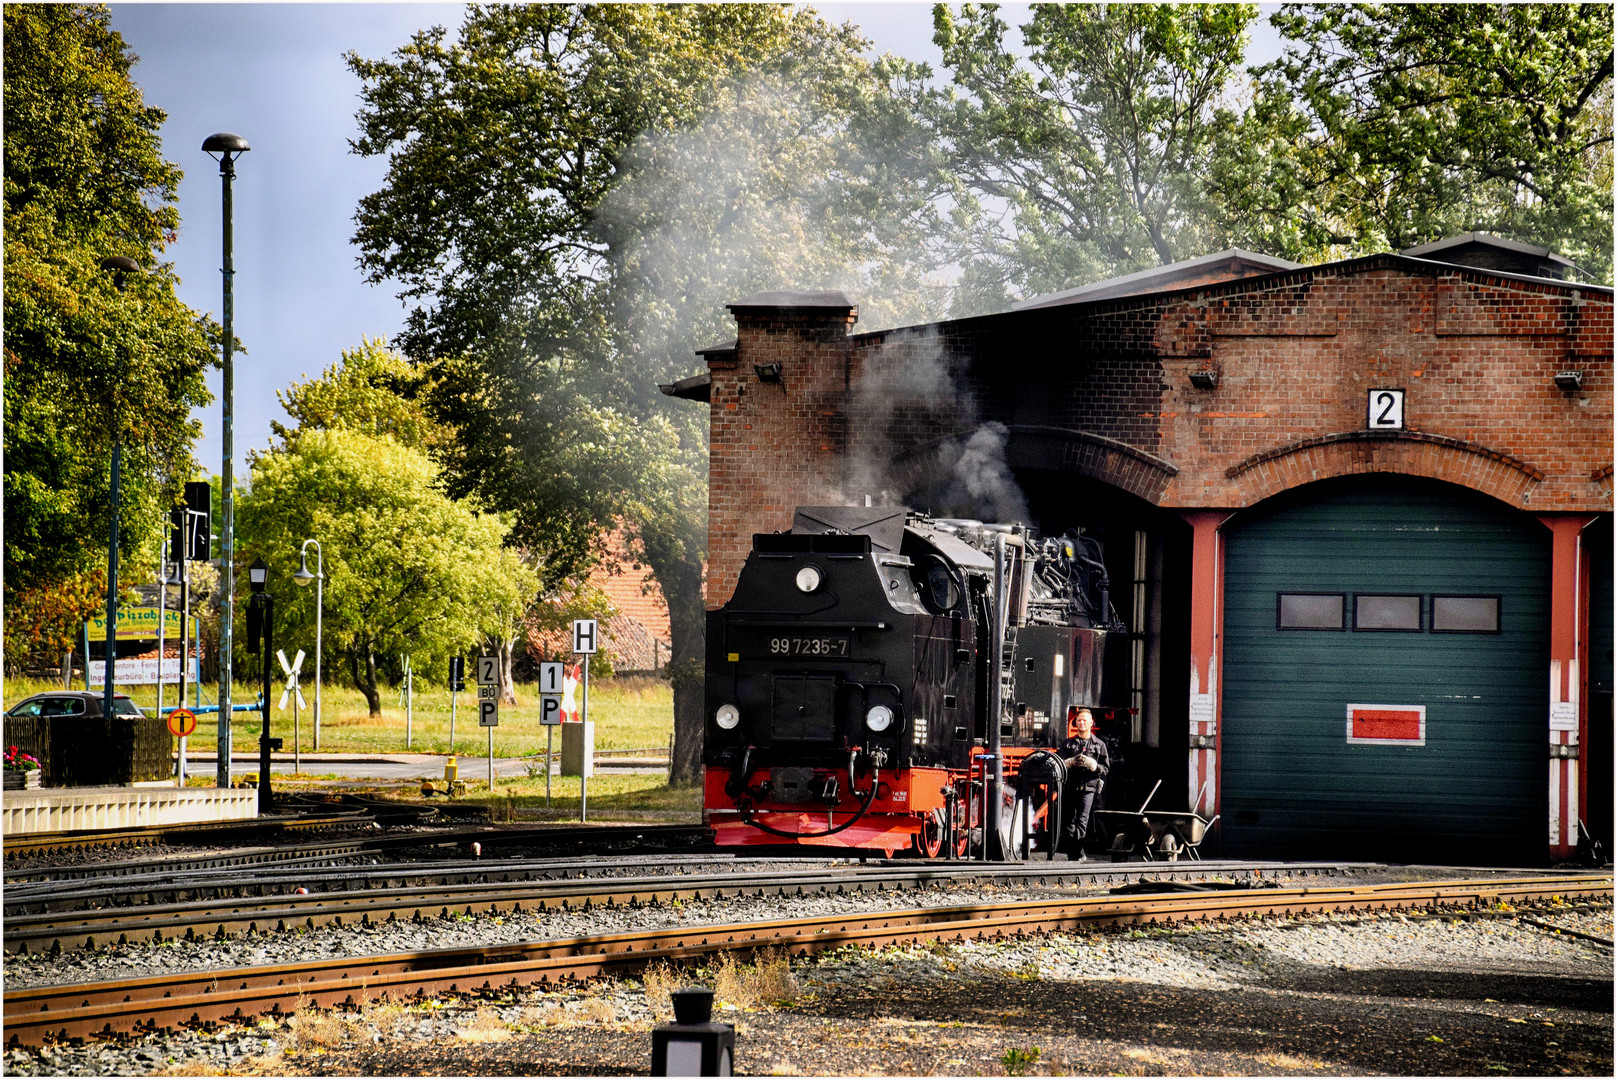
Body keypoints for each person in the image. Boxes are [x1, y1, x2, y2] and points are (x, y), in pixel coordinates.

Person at [1060, 706, 1110, 860]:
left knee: (1082, 821)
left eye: (1085, 721)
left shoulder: (1099, 745)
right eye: (1079, 720)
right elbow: (1058, 763)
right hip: (1070, 786)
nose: (1082, 723)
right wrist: (1069, 762)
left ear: (1091, 723)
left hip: (1088, 788)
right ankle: (1074, 854)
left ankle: (1077, 853)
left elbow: (1106, 768)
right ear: (1075, 722)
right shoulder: (1068, 744)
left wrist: (1094, 765)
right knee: (1069, 822)